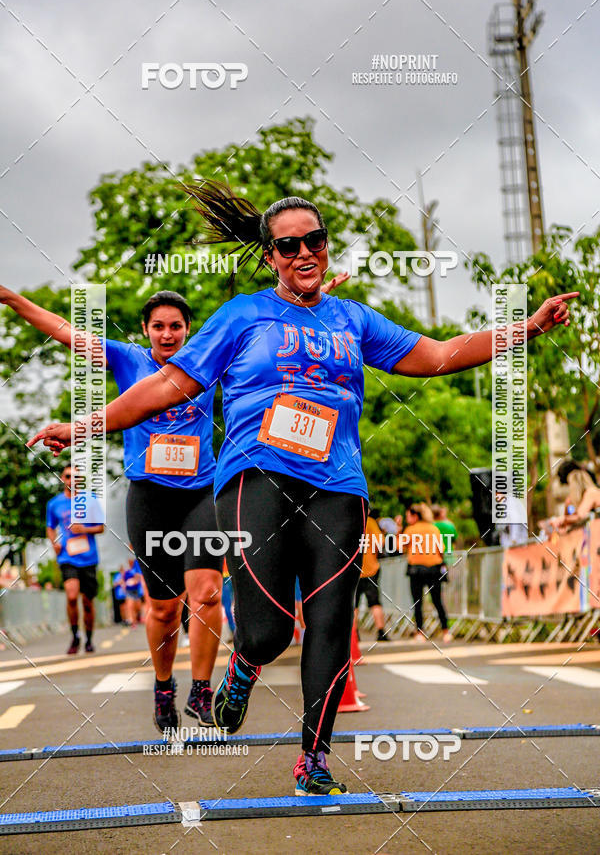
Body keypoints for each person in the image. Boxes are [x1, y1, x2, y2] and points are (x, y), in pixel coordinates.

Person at [27, 180, 578, 794]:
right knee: (268, 632)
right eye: (288, 246)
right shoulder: (240, 316)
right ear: (270, 258)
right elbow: (165, 387)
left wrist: (523, 329)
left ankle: (313, 759)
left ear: (325, 245)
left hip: (338, 482)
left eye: (313, 240)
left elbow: (441, 352)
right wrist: (84, 425)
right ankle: (244, 665)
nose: (303, 253)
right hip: (255, 475)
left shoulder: (353, 318)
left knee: (331, 619)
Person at [0, 285, 222, 730]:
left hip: (202, 491)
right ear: (146, 330)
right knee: (164, 607)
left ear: (188, 330)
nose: (167, 334)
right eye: (158, 326)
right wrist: (14, 301)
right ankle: (164, 686)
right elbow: (66, 332)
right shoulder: (128, 359)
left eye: (175, 326)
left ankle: (202, 690)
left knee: (207, 592)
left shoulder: (206, 360)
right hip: (150, 496)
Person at [46, 464, 105, 654]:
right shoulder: (54, 504)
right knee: (72, 596)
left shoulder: (90, 499)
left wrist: (84, 529)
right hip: (67, 556)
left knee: (88, 602)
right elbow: (50, 526)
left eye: (76, 477)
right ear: (63, 479)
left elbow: (101, 527)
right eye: (68, 476)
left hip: (88, 557)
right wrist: (54, 541)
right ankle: (75, 636)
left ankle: (88, 639)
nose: (72, 480)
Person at [400, 503, 450, 643]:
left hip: (416, 569)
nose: (407, 518)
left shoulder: (410, 530)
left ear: (416, 515)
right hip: (433, 568)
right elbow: (441, 548)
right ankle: (446, 631)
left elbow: (400, 546)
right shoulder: (433, 528)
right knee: (437, 601)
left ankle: (420, 633)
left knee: (417, 602)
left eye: (408, 516)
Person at [354, 509, 388, 641]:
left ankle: (354, 634)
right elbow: (381, 543)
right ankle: (381, 632)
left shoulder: (350, 520)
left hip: (353, 570)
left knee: (353, 604)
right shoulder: (370, 522)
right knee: (375, 602)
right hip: (370, 568)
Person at [124, 555, 144, 625]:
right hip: (129, 591)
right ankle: (133, 622)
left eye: (131, 561)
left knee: (137, 607)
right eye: (129, 561)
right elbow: (124, 581)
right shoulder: (126, 571)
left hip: (136, 590)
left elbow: (138, 577)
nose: (130, 562)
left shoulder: (135, 569)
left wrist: (133, 581)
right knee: (130, 606)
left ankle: (137, 618)